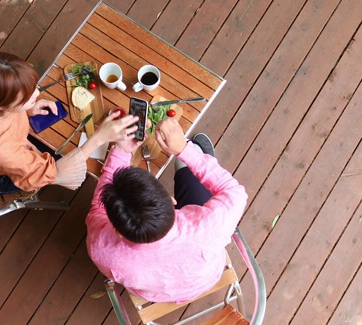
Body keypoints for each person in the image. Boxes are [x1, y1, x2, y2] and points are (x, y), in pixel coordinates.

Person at [86, 118, 248, 303]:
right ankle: (197, 153)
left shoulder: (100, 248)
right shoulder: (210, 227)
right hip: (203, 278)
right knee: (188, 164)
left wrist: (121, 151)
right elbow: (233, 191)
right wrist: (183, 150)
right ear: (172, 201)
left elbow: (97, 212)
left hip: (157, 293)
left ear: (116, 229)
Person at [0, 52, 138, 194]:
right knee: (65, 154)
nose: (38, 93)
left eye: (33, 87)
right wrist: (99, 137)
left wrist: (25, 107)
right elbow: (55, 173)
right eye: (26, 96)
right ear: (1, 106)